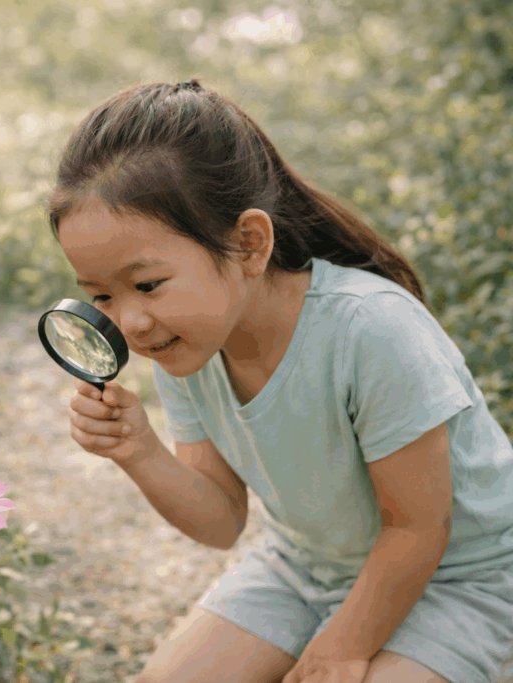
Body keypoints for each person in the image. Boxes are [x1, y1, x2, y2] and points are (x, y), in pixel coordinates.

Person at [52, 79, 513, 683]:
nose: (130, 323)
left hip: (464, 576)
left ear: (248, 243)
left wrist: (342, 645)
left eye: (147, 285)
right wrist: (137, 452)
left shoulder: (370, 329)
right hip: (307, 567)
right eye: (101, 296)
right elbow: (221, 523)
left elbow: (420, 527)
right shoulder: (186, 342)